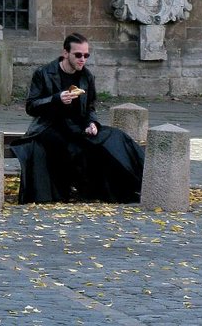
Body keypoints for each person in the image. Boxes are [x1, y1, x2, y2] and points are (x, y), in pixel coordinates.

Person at [11, 32, 144, 204]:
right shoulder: (44, 73)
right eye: (78, 55)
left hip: (79, 126)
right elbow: (31, 106)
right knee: (71, 147)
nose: (83, 59)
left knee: (116, 138)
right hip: (49, 126)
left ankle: (133, 184)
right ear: (65, 53)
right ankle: (79, 189)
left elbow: (90, 107)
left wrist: (92, 123)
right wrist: (56, 99)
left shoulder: (86, 76)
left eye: (86, 55)